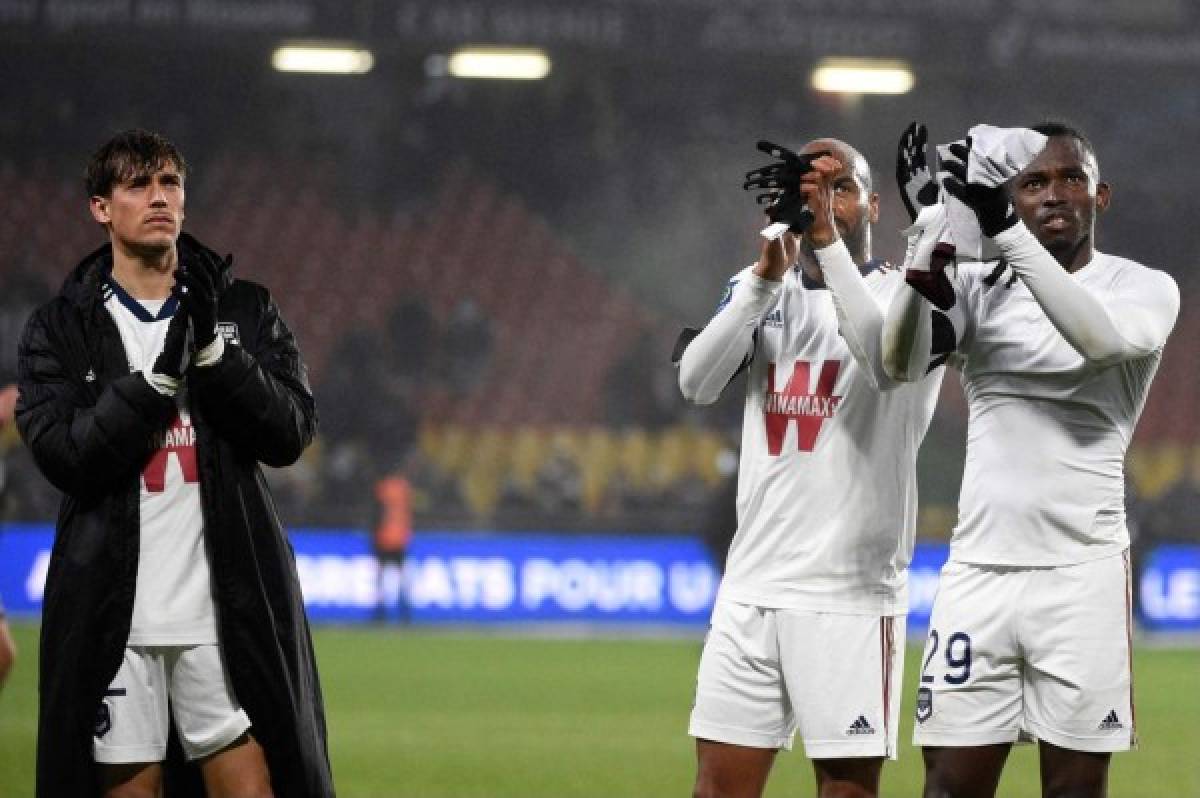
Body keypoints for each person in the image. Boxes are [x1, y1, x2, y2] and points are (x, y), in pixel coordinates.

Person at [16, 129, 334, 796]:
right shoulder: (59, 329)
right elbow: (67, 456)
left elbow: (290, 433)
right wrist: (152, 385)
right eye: (138, 185)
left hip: (222, 609)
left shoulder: (244, 310)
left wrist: (219, 358)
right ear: (101, 208)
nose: (159, 197)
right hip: (114, 615)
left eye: (170, 183)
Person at [883, 122, 1179, 798]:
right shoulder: (980, 288)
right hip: (978, 575)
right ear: (1011, 197)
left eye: (1070, 178)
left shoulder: (1143, 288)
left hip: (1082, 577)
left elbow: (1098, 341)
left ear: (1100, 196)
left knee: (1073, 791)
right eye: (1034, 181)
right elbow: (897, 363)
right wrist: (930, 239)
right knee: (948, 789)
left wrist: (1001, 232)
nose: (1053, 193)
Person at [677, 138, 943, 798]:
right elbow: (696, 383)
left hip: (849, 595)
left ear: (876, 203)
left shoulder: (915, 296)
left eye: (841, 188)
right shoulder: (759, 288)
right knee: (716, 790)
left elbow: (883, 363)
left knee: (846, 791)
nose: (824, 201)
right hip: (751, 589)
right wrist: (763, 283)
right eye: (810, 189)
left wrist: (824, 244)